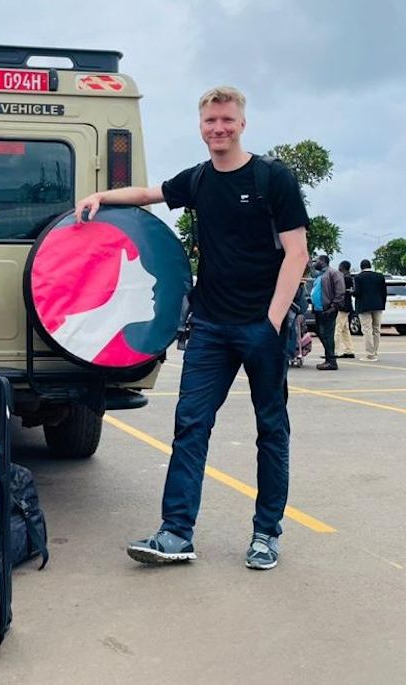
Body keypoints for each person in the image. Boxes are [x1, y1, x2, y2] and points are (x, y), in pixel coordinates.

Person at [75, 86, 309, 570]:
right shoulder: (199, 180)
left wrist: (271, 320)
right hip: (210, 328)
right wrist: (101, 195)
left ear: (242, 123)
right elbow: (148, 194)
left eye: (226, 120)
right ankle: (175, 533)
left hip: (260, 327)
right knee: (190, 427)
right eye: (209, 122)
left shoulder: (273, 178)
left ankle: (266, 533)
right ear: (200, 127)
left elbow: (297, 253)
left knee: (271, 430)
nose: (218, 128)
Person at [310, 254, 345, 370]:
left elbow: (340, 291)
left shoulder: (333, 273)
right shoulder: (320, 274)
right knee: (321, 333)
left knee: (327, 334)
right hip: (319, 310)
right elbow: (312, 273)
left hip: (328, 310)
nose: (316, 263)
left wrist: (334, 306)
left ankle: (331, 361)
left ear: (323, 261)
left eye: (317, 261)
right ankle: (328, 357)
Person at [353, 258, 387, 362]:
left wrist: (352, 292)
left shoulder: (358, 277)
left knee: (367, 329)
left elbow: (357, 293)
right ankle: (375, 352)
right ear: (370, 266)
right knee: (376, 329)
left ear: (361, 267)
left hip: (364, 306)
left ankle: (370, 354)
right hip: (378, 305)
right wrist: (382, 304)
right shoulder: (379, 276)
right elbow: (384, 292)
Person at [334, 260, 355, 358]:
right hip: (347, 306)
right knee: (345, 329)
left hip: (343, 306)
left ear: (343, 267)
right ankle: (349, 349)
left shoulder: (344, 278)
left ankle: (334, 351)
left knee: (337, 328)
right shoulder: (349, 278)